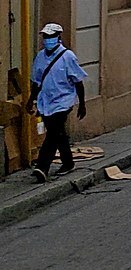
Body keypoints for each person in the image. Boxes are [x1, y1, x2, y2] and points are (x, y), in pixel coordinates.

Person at [26, 22, 87, 182]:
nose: (48, 39)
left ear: (58, 37)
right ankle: (68, 162)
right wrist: (31, 100)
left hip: (63, 101)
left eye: (51, 36)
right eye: (46, 36)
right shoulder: (40, 57)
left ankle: (42, 166)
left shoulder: (68, 57)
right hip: (46, 102)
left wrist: (82, 103)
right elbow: (36, 82)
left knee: (53, 133)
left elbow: (78, 82)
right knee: (58, 133)